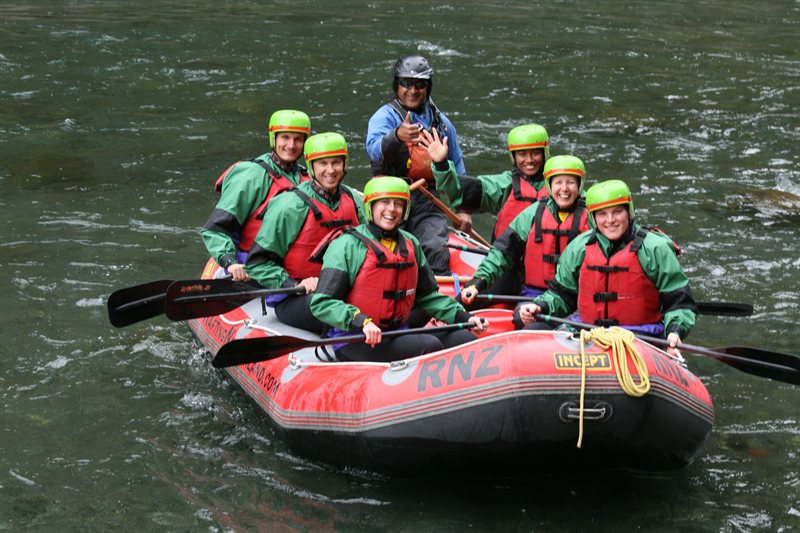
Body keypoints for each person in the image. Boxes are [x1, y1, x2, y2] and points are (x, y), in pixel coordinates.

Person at [310, 177, 489, 362]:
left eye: (398, 204)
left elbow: (427, 297)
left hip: (396, 331)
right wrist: (361, 321)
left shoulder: (411, 243)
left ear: (405, 209)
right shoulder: (347, 245)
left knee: (465, 339)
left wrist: (464, 317)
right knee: (428, 345)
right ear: (370, 207)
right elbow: (323, 303)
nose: (392, 209)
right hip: (355, 338)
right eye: (384, 202)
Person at [517, 179, 698, 351]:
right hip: (587, 332)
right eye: (602, 214)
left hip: (641, 336)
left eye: (617, 211)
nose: (610, 220)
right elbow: (562, 295)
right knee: (530, 331)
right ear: (593, 218)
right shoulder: (579, 248)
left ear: (629, 212)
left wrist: (675, 330)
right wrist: (540, 305)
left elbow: (679, 302)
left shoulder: (654, 248)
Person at [245, 132, 366, 333]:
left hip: (344, 290)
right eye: (323, 164)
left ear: (345, 165)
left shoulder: (355, 201)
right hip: (297, 298)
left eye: (336, 163)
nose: (330, 170)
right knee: (332, 310)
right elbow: (258, 264)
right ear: (311, 166)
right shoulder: (290, 207)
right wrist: (295, 283)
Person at [460, 155, 591, 327]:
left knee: (525, 321)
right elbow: (503, 251)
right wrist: (478, 282)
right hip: (532, 291)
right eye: (558, 182)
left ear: (580, 185)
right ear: (549, 185)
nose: (564, 189)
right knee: (464, 300)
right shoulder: (534, 212)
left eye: (570, 183)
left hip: (569, 297)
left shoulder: (592, 218)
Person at [365, 54, 466, 275]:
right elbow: (374, 150)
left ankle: (437, 300)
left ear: (428, 88)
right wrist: (397, 136)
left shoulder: (443, 125)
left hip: (426, 201)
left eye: (420, 84)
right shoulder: (385, 117)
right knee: (387, 254)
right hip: (388, 198)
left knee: (436, 250)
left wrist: (463, 210)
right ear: (396, 85)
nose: (413, 90)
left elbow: (459, 170)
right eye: (406, 83)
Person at [201, 109, 311, 281]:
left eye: (298, 139)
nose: (291, 145)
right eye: (285, 138)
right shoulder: (251, 174)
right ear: (273, 138)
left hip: (288, 266)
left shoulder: (307, 178)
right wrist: (230, 261)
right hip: (250, 264)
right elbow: (217, 227)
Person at [430, 123, 550, 241]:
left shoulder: (559, 185)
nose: (529, 160)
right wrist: (441, 164)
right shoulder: (505, 185)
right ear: (514, 157)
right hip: (510, 258)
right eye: (522, 154)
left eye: (535, 153)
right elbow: (459, 190)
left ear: (544, 154)